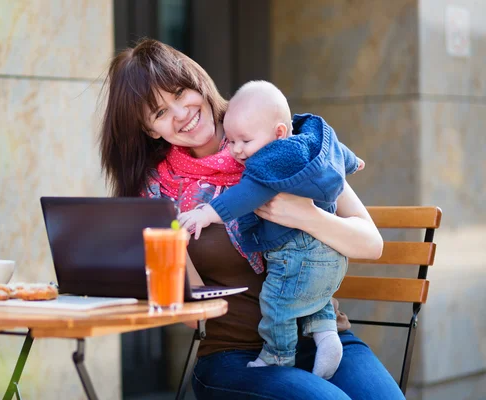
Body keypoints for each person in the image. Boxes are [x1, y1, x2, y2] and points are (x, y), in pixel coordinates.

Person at [100, 39, 404, 400]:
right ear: (151, 130)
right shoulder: (157, 192)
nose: (181, 113)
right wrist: (174, 252)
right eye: (161, 112)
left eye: (181, 93)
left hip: (324, 338)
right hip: (235, 356)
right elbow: (192, 319)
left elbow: (371, 244)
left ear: (199, 82)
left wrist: (304, 215)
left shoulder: (281, 139)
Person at [178, 80, 360, 378]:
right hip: (327, 262)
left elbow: (244, 195)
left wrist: (208, 213)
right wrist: (354, 163)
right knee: (309, 294)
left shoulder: (268, 162)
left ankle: (277, 355)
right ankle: (326, 336)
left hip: (296, 253)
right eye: (232, 140)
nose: (236, 150)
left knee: (276, 301)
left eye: (243, 142)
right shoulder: (310, 144)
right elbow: (337, 153)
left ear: (279, 132)